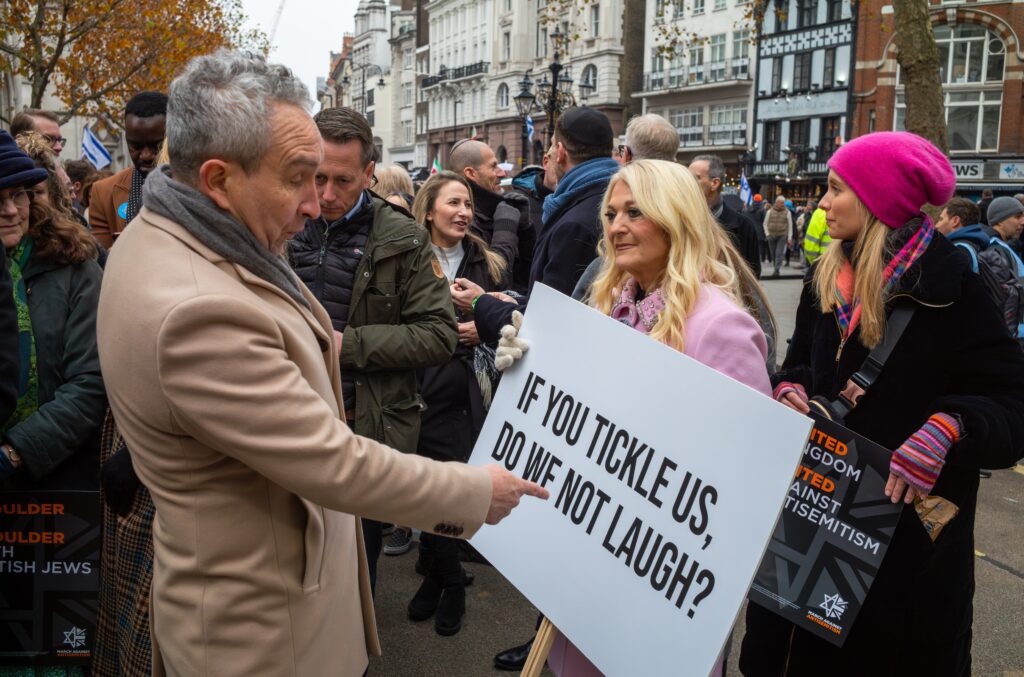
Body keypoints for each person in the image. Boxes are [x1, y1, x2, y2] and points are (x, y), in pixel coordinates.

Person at [96, 50, 546, 677]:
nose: (316, 204)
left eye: (332, 179)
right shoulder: (195, 310)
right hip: (269, 633)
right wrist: (474, 492)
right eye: (298, 177)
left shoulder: (184, 232)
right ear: (218, 180)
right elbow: (330, 461)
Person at [740, 131, 1024, 676]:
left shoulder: (957, 287)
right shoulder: (824, 277)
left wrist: (951, 427)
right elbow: (801, 364)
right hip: (810, 523)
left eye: (836, 189)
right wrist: (790, 389)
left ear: (880, 199)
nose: (822, 203)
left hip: (904, 557)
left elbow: (1011, 406)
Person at [545, 159, 772, 676]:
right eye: (610, 213)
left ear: (676, 218)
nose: (617, 226)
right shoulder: (606, 308)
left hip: (657, 587)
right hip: (591, 565)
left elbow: (743, 476)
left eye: (635, 212)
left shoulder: (720, 325)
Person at [289, 106, 463, 574]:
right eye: (316, 176)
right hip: (290, 420)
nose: (326, 194)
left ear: (369, 174)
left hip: (362, 429)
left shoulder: (404, 237)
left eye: (342, 181)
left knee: (354, 566)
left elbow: (438, 334)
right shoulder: (280, 222)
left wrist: (349, 346)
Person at [407, 172, 510, 636]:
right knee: (429, 488)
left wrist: (482, 325)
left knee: (450, 485)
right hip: (421, 386)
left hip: (470, 390)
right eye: (453, 203)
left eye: (468, 204)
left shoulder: (484, 261)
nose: (464, 212)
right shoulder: (408, 257)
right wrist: (453, 332)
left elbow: (508, 319)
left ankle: (446, 582)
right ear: (429, 210)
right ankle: (445, 579)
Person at [2, 131, 105, 493]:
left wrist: (15, 452)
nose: (12, 211)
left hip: (61, 480)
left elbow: (91, 382)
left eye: (18, 195)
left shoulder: (75, 267)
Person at [450, 138, 532, 293]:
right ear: (471, 173)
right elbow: (494, 283)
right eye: (494, 166)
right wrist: (505, 227)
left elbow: (526, 277)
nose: (502, 173)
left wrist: (525, 229)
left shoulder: (494, 210)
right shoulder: (463, 222)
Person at [89, 91, 167, 248]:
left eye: (156, 146)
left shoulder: (200, 187)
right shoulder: (103, 193)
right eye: (135, 147)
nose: (145, 156)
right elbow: (102, 262)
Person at [690, 154, 762, 277]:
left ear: (714, 183)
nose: (687, 182)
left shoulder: (743, 226)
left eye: (695, 178)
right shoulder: (678, 220)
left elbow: (751, 277)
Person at [762, 195, 794, 277]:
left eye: (783, 203)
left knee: (778, 253)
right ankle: (775, 266)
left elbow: (790, 225)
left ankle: (777, 269)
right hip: (771, 235)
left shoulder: (788, 212)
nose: (782, 204)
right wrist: (767, 234)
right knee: (773, 253)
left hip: (782, 235)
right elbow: (765, 223)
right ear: (777, 202)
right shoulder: (769, 211)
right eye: (781, 202)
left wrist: (789, 237)